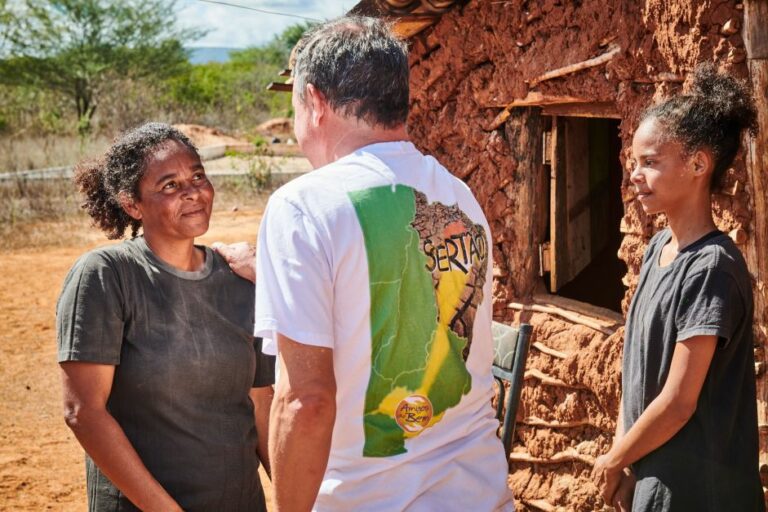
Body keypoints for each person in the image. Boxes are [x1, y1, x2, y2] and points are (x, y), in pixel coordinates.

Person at [248, 15, 513, 512]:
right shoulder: (459, 198)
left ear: (316, 102)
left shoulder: (303, 206)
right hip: (480, 492)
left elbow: (306, 402)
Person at [56, 122, 275, 511]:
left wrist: (299, 496)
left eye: (198, 176)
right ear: (132, 204)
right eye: (170, 185)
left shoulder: (240, 280)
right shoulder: (107, 275)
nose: (193, 193)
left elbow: (261, 405)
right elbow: (83, 411)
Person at [592, 64, 763, 511]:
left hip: (697, 493)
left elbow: (679, 402)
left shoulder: (713, 269)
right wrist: (628, 463)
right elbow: (637, 370)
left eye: (650, 162)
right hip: (655, 482)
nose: (634, 174)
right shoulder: (657, 250)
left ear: (698, 164)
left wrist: (615, 460)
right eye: (634, 162)